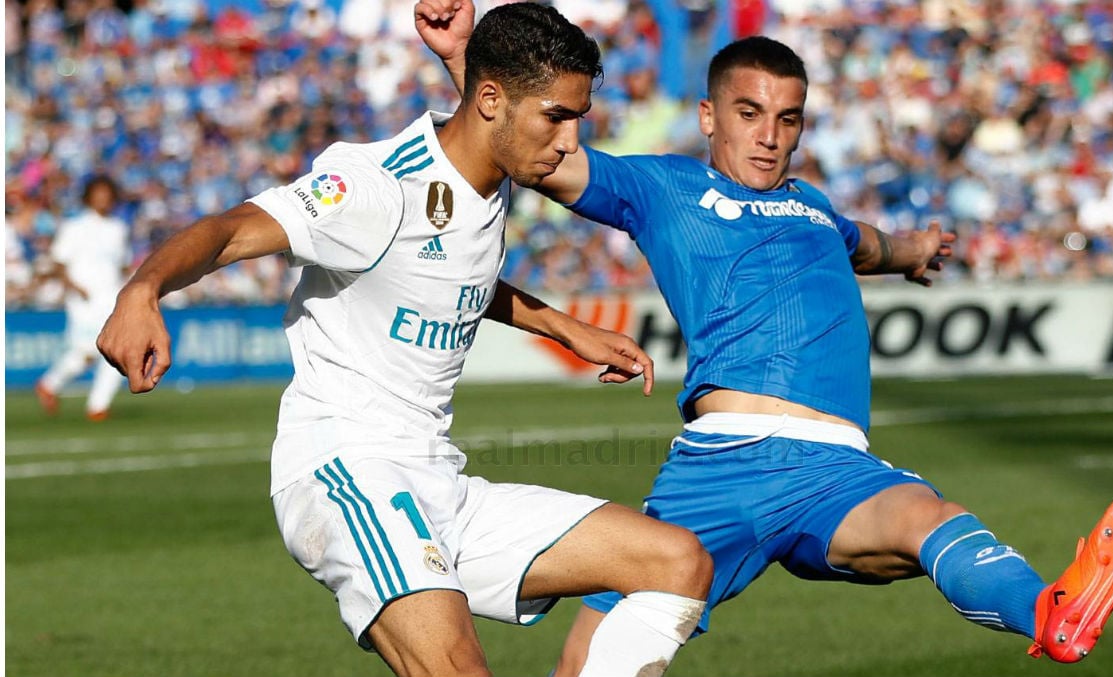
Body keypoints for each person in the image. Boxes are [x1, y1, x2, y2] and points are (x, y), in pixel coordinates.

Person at [421, 14, 1113, 673]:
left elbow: (869, 244)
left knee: (927, 519)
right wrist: (465, 59)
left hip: (836, 468)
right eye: (749, 113)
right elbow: (537, 145)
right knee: (594, 652)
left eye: (787, 119)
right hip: (723, 462)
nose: (769, 134)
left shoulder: (812, 206)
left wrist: (914, 249)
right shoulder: (663, 187)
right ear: (709, 116)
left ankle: (1053, 614)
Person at [97, 4, 713, 677]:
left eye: (578, 119)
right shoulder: (377, 186)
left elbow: (453, 266)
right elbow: (234, 228)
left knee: (676, 562)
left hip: (439, 481)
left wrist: (566, 327)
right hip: (346, 465)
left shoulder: (493, 167)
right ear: (490, 101)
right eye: (558, 117)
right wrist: (142, 289)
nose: (571, 142)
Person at [34, 175, 129, 421]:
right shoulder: (74, 227)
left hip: (111, 297)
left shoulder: (118, 229)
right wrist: (74, 286)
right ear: (89, 197)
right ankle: (51, 383)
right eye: (99, 194)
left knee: (117, 351)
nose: (104, 200)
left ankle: (97, 405)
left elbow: (121, 265)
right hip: (85, 299)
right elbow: (58, 262)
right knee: (87, 352)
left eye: (107, 195)